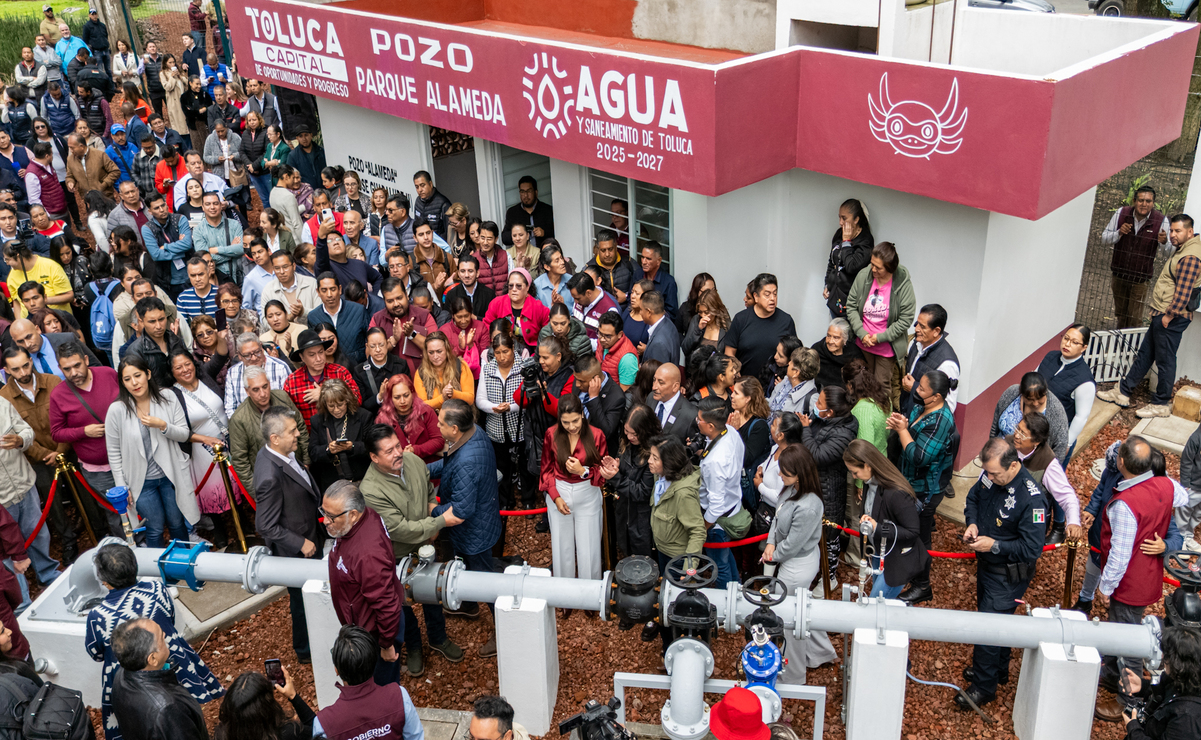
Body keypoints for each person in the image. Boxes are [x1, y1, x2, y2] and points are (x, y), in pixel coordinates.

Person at [86, 543, 223, 740]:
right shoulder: (156, 589)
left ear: (105, 581)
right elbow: (170, 617)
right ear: (135, 567)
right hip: (170, 660)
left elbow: (96, 653)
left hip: (125, 675)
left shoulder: (97, 616)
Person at [360, 423, 463, 677]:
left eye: (397, 445)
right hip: (394, 554)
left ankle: (438, 638)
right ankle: (414, 646)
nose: (398, 453)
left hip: (426, 545)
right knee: (402, 604)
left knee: (433, 592)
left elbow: (428, 488)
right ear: (373, 458)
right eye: (389, 451)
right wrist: (439, 522)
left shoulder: (413, 461)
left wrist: (431, 508)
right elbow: (399, 529)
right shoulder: (370, 490)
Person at [955, 436, 1049, 710]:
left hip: (1007, 573)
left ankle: (983, 688)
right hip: (986, 565)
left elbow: (1032, 549)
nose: (990, 477)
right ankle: (997, 670)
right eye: (988, 472)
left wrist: (994, 545)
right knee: (1000, 622)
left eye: (995, 473)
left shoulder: (1032, 500)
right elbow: (973, 498)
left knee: (988, 628)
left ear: (1013, 466)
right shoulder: (990, 476)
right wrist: (972, 523)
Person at [1093, 436, 1181, 716]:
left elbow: (1120, 555)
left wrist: (1105, 586)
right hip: (1146, 578)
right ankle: (1111, 672)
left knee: (1129, 640)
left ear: (1121, 463)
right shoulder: (1165, 484)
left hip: (1129, 585)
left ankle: (1128, 700)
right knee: (1119, 629)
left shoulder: (1125, 504)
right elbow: (1183, 496)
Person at [1100, 213, 1200, 418]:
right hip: (1162, 313)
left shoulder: (1191, 256)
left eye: (1178, 231)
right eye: (1172, 230)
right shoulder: (1185, 249)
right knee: (1146, 354)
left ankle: (1160, 404)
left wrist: (1168, 316)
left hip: (1170, 317)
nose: (1172, 235)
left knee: (1165, 361)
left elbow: (1183, 293)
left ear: (1190, 232)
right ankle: (1124, 391)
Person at [428, 399, 502, 653]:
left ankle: (502, 628)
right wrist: (423, 470)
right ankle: (469, 605)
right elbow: (449, 464)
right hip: (482, 521)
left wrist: (432, 511)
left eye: (440, 422)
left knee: (487, 581)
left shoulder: (467, 462)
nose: (437, 426)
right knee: (466, 566)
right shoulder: (474, 433)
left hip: (474, 533)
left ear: (454, 429)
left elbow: (460, 511)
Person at [761, 444, 837, 682]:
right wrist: (771, 542)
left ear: (800, 474)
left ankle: (792, 674)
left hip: (796, 568)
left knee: (789, 621)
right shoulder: (792, 488)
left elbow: (793, 544)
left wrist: (771, 554)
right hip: (792, 561)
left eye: (784, 472)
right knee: (803, 612)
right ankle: (820, 653)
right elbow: (777, 515)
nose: (779, 476)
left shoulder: (809, 506)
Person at [321, 479, 409, 685]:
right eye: (324, 512)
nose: (325, 520)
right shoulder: (361, 520)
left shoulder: (368, 555)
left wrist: (386, 645)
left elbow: (386, 604)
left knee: (379, 689)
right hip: (367, 628)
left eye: (331, 516)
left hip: (376, 636)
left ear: (353, 514)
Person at [105, 354, 197, 546]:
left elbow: (184, 433)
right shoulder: (117, 410)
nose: (134, 383)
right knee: (153, 527)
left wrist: (163, 425)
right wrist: (122, 486)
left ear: (147, 374)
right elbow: (113, 452)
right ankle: (159, 574)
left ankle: (184, 567)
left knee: (177, 522)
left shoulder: (168, 397)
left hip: (170, 475)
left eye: (137, 375)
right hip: (142, 481)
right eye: (127, 379)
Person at [255, 405, 322, 663]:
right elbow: (266, 525)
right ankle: (305, 651)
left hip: (309, 532)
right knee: (301, 603)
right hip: (296, 552)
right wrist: (300, 543)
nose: (298, 434)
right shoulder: (269, 476)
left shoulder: (281, 453)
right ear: (275, 438)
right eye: (292, 431)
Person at [0, 346, 77, 562]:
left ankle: (99, 532)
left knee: (85, 494)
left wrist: (61, 450)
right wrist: (44, 454)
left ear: (31, 361)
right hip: (37, 460)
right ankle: (68, 540)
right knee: (53, 505)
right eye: (16, 369)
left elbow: (69, 416)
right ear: (6, 370)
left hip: (67, 449)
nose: (23, 372)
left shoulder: (52, 381)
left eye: (26, 365)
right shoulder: (4, 397)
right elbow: (19, 434)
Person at [887, 370, 956, 606]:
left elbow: (919, 457)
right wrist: (902, 424)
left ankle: (922, 585)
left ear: (935, 397)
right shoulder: (921, 407)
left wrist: (902, 431)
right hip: (909, 482)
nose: (916, 390)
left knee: (919, 537)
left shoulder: (941, 420)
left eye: (921, 389)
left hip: (925, 489)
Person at [48, 340, 121, 535]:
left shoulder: (108, 374)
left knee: (142, 504)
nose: (73, 373)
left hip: (129, 457)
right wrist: (83, 431)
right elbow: (56, 432)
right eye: (67, 369)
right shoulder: (58, 394)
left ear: (86, 359)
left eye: (77, 365)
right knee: (115, 514)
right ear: (59, 368)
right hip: (98, 469)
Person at [842, 439, 928, 599]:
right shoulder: (870, 480)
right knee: (879, 604)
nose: (854, 477)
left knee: (875, 606)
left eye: (855, 472)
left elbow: (913, 532)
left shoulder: (896, 493)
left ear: (867, 465)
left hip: (896, 561)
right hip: (879, 552)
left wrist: (878, 527)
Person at [313, 625, 423, 740]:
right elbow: (416, 737)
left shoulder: (323, 725)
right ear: (373, 662)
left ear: (337, 670)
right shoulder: (400, 696)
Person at [540, 394, 606, 581]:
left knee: (590, 548)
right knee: (562, 548)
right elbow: (546, 469)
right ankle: (564, 596)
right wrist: (555, 496)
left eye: (575, 420)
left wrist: (583, 471)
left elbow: (602, 471)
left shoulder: (597, 435)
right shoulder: (551, 434)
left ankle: (590, 596)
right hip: (559, 491)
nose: (571, 426)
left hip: (587, 491)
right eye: (566, 422)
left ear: (583, 415)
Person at [0, 393, 59, 602]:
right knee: (7, 552)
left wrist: (20, 440)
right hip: (1, 503)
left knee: (38, 535)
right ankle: (21, 600)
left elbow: (26, 431)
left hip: (24, 485)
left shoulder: (2, 403)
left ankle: (48, 576)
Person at [108, 619, 209, 740]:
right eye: (161, 637)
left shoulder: (123, 673)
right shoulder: (168, 708)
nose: (165, 635)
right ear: (153, 659)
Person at [845, 241, 915, 410]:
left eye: (878, 267)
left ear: (890, 268)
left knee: (881, 389)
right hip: (863, 344)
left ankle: (883, 427)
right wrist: (862, 333)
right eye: (872, 264)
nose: (873, 269)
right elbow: (852, 305)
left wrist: (880, 337)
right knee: (860, 385)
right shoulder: (864, 276)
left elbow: (906, 318)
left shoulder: (902, 283)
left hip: (886, 347)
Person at [800, 385, 858, 582]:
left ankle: (829, 579)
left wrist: (806, 429)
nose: (815, 405)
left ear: (830, 412)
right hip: (815, 485)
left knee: (829, 537)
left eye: (819, 403)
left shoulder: (844, 433)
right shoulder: (827, 419)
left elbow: (817, 455)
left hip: (829, 492)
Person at [228, 365, 307, 494]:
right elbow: (240, 462)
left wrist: (307, 462)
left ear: (269, 384)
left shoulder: (282, 397)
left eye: (265, 386)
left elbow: (300, 427)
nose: (263, 394)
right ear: (247, 391)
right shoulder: (239, 419)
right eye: (255, 390)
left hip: (297, 468)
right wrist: (259, 494)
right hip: (270, 481)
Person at [1104, 186, 1171, 329]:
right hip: (1119, 274)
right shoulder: (1121, 213)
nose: (1144, 204)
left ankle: (1133, 348)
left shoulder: (1161, 221)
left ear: (1153, 203)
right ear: (1134, 201)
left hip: (1141, 279)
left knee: (1135, 318)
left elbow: (1168, 253)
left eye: (1148, 201)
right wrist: (1119, 233)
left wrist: (1164, 242)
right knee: (1121, 314)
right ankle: (1119, 343)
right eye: (1141, 200)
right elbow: (1104, 239)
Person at [695, 396, 745, 588]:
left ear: (709, 426)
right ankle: (736, 587)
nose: (697, 423)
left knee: (719, 565)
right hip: (732, 504)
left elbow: (715, 506)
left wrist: (703, 529)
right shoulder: (730, 431)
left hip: (718, 521)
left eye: (699, 420)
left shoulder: (714, 462)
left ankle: (727, 606)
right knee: (726, 556)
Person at [1013, 412, 1083, 546]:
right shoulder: (1007, 444)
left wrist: (1073, 521)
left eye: (1022, 433)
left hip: (1030, 522)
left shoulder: (1048, 462)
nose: (1016, 435)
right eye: (1017, 428)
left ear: (1036, 441)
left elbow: (1067, 496)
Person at [599, 403, 659, 561]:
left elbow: (643, 492)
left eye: (635, 434)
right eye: (626, 432)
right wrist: (614, 467)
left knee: (643, 562)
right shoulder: (626, 443)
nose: (630, 437)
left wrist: (616, 477)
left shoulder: (654, 454)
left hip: (642, 519)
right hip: (624, 511)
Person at [1036, 324, 1095, 459]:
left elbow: (1081, 416)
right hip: (1034, 424)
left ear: (1084, 347)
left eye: (1074, 342)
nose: (1067, 344)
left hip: (1057, 433)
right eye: (1066, 338)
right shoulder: (1050, 357)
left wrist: (1066, 443)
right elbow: (1034, 378)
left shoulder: (1084, 380)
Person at [721, 273, 796, 380]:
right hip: (745, 384)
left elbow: (794, 356)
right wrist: (735, 373)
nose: (772, 298)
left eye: (775, 294)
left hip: (775, 386)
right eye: (767, 294)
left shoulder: (786, 320)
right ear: (756, 296)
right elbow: (729, 352)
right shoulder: (740, 319)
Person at [283, 328, 360, 429]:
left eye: (321, 352)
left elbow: (357, 400)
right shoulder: (292, 382)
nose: (319, 359)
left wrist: (325, 394)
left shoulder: (340, 372)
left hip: (343, 431)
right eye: (312, 355)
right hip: (311, 439)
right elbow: (287, 415)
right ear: (302, 357)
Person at [307, 380, 372, 491]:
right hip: (335, 485)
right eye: (331, 406)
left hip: (363, 480)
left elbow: (372, 447)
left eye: (340, 405)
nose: (336, 410)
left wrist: (352, 447)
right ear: (324, 404)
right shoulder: (317, 420)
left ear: (347, 400)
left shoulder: (363, 416)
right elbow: (313, 452)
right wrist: (328, 450)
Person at [213, 668, 314, 740]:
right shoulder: (289, 733)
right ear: (266, 710)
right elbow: (318, 730)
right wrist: (293, 696)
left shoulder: (221, 735)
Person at [990, 372, 1070, 461]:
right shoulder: (1011, 393)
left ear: (1045, 392)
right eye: (1030, 399)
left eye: (1040, 399)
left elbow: (1060, 448)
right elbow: (995, 424)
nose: (1035, 404)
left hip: (1029, 467)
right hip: (999, 456)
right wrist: (991, 449)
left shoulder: (1056, 412)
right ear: (1022, 394)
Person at [901, 303, 959, 417]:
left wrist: (914, 388)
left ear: (936, 331)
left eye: (922, 327)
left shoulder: (947, 364)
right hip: (908, 414)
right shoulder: (917, 343)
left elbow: (948, 406)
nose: (916, 329)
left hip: (923, 424)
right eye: (917, 324)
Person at [375, 373, 442, 463]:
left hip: (427, 467)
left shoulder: (426, 412)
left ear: (412, 393)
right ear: (390, 398)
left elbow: (438, 440)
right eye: (397, 397)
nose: (402, 401)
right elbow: (381, 449)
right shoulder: (383, 419)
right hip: (399, 469)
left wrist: (415, 450)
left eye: (406, 395)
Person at [307, 271, 369, 364]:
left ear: (340, 289)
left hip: (358, 369)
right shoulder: (313, 316)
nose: (329, 295)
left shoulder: (358, 310)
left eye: (332, 289)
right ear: (318, 292)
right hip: (329, 371)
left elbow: (369, 339)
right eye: (324, 290)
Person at [483, 268, 549, 353]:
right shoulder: (497, 303)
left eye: (518, 286)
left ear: (527, 287)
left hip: (531, 355)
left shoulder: (538, 308)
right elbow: (486, 326)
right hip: (500, 352)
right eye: (511, 286)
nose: (514, 289)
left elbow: (547, 333)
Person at [260, 250, 319, 320]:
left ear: (294, 266)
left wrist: (303, 312)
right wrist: (285, 320)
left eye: (285, 267)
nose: (282, 272)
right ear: (273, 269)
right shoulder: (268, 290)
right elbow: (265, 320)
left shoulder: (311, 283)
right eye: (277, 268)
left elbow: (321, 314)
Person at [652, 362, 699, 442]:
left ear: (675, 387)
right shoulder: (651, 398)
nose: (654, 387)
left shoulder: (690, 415)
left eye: (661, 382)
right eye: (654, 380)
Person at [65, 132, 119, 200]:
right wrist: (70, 182)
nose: (71, 150)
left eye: (72, 148)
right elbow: (69, 176)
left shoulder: (100, 155)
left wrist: (103, 185)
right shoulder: (70, 160)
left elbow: (115, 171)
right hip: (88, 199)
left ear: (81, 146)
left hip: (105, 197)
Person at [632, 242, 678, 323]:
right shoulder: (638, 275)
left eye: (648, 259)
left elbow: (672, 314)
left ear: (658, 261)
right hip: (637, 320)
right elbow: (630, 298)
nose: (643, 262)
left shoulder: (668, 282)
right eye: (642, 257)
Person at [503, 175, 553, 248]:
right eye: (522, 192)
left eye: (529, 191)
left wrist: (544, 233)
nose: (525, 195)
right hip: (522, 256)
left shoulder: (547, 210)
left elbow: (557, 232)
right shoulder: (512, 212)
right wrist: (518, 234)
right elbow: (505, 238)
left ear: (536, 192)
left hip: (544, 255)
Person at [770, 347, 820, 419]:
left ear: (796, 372)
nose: (789, 363)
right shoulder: (786, 380)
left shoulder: (812, 401)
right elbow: (772, 404)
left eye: (791, 362)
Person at [682, 288, 730, 361]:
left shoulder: (726, 326)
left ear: (715, 310)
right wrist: (698, 330)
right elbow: (685, 348)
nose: (703, 316)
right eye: (701, 312)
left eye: (706, 312)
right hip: (697, 370)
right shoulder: (696, 320)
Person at [595, 310, 638, 392]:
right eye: (600, 333)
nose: (602, 339)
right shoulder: (603, 342)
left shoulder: (627, 359)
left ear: (620, 335)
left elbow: (625, 394)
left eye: (608, 336)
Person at [640, 289, 681, 366]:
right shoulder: (669, 323)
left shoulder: (658, 344)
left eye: (641, 309)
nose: (640, 313)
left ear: (649, 312)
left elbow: (657, 375)